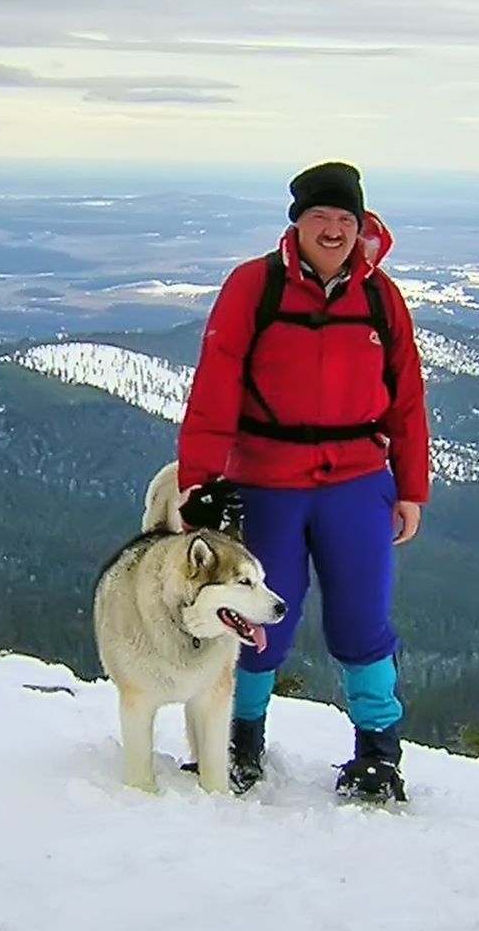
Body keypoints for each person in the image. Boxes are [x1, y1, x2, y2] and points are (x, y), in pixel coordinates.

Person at [174, 160, 430, 803]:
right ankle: (239, 743)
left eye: (346, 219)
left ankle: (378, 754)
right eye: (322, 217)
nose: (335, 229)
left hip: (357, 482)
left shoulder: (379, 296)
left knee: (362, 620)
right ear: (298, 224)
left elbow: (406, 398)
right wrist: (200, 481)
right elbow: (216, 385)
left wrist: (411, 487)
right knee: (259, 618)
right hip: (266, 479)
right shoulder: (253, 287)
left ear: (360, 224)